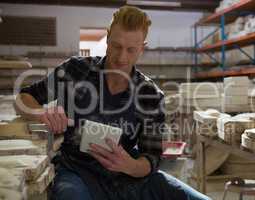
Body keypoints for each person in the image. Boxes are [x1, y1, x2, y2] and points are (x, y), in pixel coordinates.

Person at [14, 6, 211, 200]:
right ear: (107, 38)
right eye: (116, 46)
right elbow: (24, 97)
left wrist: (130, 166)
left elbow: (152, 156)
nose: (121, 57)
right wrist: (41, 113)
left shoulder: (150, 95)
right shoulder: (76, 70)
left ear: (142, 48)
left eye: (131, 50)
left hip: (126, 175)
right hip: (76, 171)